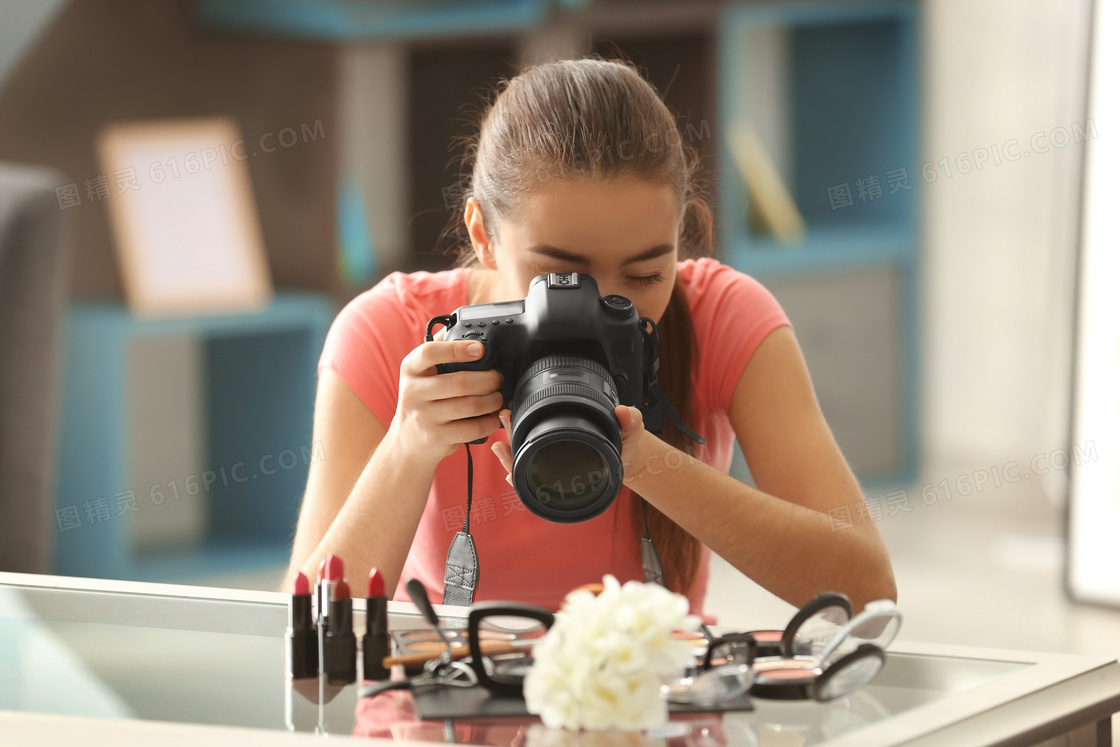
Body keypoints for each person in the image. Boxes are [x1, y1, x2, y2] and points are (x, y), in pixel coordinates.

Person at [285, 57, 896, 617]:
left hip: (650, 711)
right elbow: (311, 660)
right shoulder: (390, 332)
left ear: (680, 239)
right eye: (560, 276)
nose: (602, 307)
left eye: (645, 273)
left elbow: (865, 591)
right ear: (483, 233)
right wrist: (407, 450)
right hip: (442, 716)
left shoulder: (721, 316)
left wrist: (645, 462)